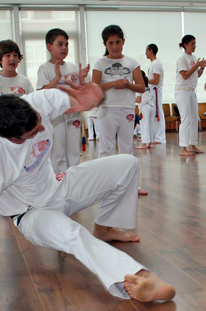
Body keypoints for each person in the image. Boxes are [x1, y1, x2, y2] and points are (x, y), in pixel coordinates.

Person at [0, 80, 176, 303]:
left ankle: (104, 228)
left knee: (127, 164)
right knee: (74, 234)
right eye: (33, 132)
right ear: (11, 138)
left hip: (58, 186)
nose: (41, 128)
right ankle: (139, 277)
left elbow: (80, 98)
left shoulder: (34, 104)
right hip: (32, 214)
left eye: (39, 120)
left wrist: (92, 99)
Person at [92, 25, 147, 195]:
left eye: (118, 42)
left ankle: (130, 185)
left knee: (127, 148)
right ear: (105, 44)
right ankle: (105, 185)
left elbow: (142, 87)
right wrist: (113, 84)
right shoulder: (100, 62)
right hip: (107, 109)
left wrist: (128, 84)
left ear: (123, 42)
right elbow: (94, 87)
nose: (115, 47)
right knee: (106, 148)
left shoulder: (132, 62)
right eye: (111, 43)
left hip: (127, 109)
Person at [36, 28, 88, 174]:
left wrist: (82, 79)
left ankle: (73, 183)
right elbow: (41, 93)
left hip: (73, 114)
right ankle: (59, 183)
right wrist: (57, 78)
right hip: (56, 116)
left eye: (66, 44)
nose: (64, 48)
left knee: (74, 151)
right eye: (60, 44)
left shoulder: (72, 67)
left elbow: (81, 92)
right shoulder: (44, 68)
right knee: (58, 153)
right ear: (49, 46)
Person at [175, 34, 206, 156]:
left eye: (195, 43)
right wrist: (196, 65)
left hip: (191, 90)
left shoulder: (194, 57)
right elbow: (184, 75)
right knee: (185, 118)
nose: (194, 46)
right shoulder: (182, 58)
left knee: (194, 117)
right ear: (185, 45)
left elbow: (197, 75)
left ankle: (192, 144)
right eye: (192, 44)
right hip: (182, 90)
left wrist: (202, 67)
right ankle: (182, 147)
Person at [0, 39, 34, 109]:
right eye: (8, 55)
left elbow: (33, 103)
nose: (12, 58)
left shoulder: (25, 81)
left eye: (15, 55)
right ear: (0, 60)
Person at [146, 43, 166, 145]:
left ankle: (159, 138)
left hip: (155, 90)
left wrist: (145, 80)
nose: (145, 52)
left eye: (146, 50)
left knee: (157, 114)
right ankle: (155, 136)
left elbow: (156, 80)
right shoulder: (153, 64)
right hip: (152, 91)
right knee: (153, 114)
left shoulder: (156, 64)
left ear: (151, 51)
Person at [135, 71, 155, 149]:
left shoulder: (139, 87)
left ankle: (143, 144)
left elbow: (138, 100)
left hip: (144, 107)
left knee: (144, 125)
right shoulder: (148, 87)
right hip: (151, 106)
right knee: (150, 125)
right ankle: (150, 143)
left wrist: (131, 100)